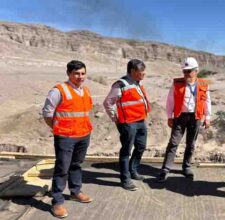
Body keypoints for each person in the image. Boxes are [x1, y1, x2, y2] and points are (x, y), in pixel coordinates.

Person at [42, 60, 93, 218]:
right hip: (65, 136)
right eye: (76, 73)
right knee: (62, 168)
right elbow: (47, 113)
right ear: (69, 74)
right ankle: (57, 202)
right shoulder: (59, 90)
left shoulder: (85, 90)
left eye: (83, 73)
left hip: (83, 134)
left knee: (76, 165)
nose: (80, 76)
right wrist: (57, 129)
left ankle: (75, 191)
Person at [157, 57, 211, 182]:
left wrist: (207, 117)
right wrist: (169, 116)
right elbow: (170, 100)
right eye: (184, 71)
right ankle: (165, 169)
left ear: (196, 71)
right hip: (180, 117)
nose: (186, 73)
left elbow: (207, 101)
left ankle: (186, 167)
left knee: (190, 144)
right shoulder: (177, 83)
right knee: (173, 143)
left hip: (195, 117)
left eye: (189, 71)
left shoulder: (203, 84)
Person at [103, 59, 150, 191]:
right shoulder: (120, 85)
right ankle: (125, 179)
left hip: (141, 121)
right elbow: (108, 103)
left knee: (141, 146)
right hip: (128, 123)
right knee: (126, 151)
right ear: (133, 71)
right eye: (142, 71)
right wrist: (116, 119)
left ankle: (133, 170)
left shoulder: (137, 83)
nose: (144, 74)